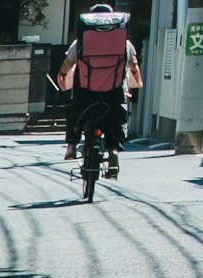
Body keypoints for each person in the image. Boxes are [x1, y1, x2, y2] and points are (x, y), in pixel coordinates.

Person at [56, 3, 141, 178]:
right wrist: (137, 81)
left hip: (86, 92)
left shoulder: (80, 41)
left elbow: (68, 64)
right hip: (114, 91)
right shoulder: (125, 43)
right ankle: (114, 153)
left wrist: (62, 75)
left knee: (75, 111)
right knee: (117, 119)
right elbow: (134, 66)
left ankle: (71, 145)